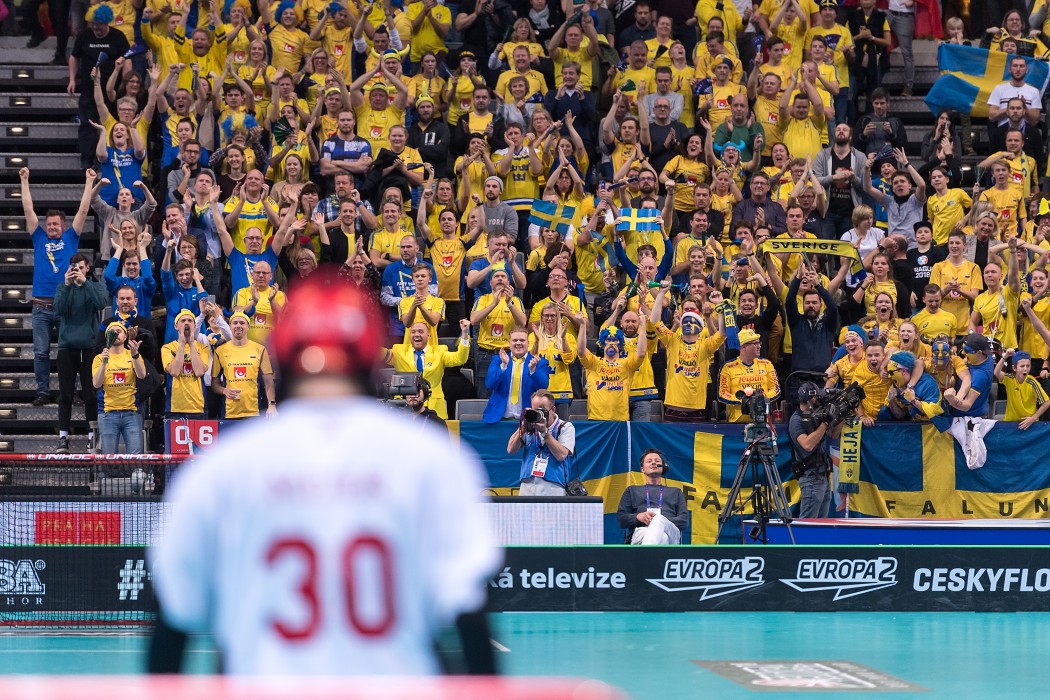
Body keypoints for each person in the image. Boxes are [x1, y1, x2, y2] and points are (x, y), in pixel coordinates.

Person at [149, 271, 500, 675]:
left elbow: (172, 624)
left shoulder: (224, 466)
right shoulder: (428, 459)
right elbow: (471, 623)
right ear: (367, 357)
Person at [21, 167, 94, 407]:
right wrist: (25, 180)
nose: (52, 227)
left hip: (65, 305)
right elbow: (28, 210)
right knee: (41, 353)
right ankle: (42, 392)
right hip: (41, 308)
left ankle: (69, 392)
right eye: (49, 224)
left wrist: (88, 181)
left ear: (63, 226)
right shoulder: (39, 238)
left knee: (68, 352)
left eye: (55, 224)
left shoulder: (70, 239)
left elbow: (83, 210)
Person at [53, 254, 106, 453]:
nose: (78, 271)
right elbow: (58, 309)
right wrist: (67, 285)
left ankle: (91, 438)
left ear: (88, 268)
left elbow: (101, 303)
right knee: (65, 395)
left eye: (81, 267)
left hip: (88, 348)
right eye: (74, 267)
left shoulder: (94, 285)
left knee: (90, 395)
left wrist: (85, 284)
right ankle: (63, 439)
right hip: (67, 349)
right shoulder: (62, 287)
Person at [385, 320, 472, 420]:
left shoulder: (440, 351)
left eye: (421, 332)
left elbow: (460, 359)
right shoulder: (398, 352)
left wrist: (465, 333)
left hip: (435, 408)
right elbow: (380, 354)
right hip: (404, 409)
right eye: (413, 332)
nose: (416, 334)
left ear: (428, 335)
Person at [507, 389, 575, 496]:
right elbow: (510, 449)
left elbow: (561, 455)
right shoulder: (529, 426)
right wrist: (523, 426)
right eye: (535, 410)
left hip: (553, 486)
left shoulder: (565, 427)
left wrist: (545, 433)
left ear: (553, 409)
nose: (538, 414)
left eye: (542, 410)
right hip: (528, 484)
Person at [92, 322, 146, 454]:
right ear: (107, 337)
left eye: (119, 331)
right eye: (112, 331)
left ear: (125, 336)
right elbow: (96, 384)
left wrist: (135, 355)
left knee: (136, 456)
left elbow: (142, 375)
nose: (116, 333)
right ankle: (107, 475)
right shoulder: (99, 358)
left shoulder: (132, 355)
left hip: (131, 412)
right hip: (108, 413)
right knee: (109, 456)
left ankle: (136, 474)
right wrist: (104, 363)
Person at [211, 312, 277, 420]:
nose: (238, 326)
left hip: (254, 412)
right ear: (230, 326)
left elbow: (268, 381)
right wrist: (224, 390)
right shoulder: (220, 351)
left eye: (242, 323)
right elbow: (214, 384)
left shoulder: (260, 349)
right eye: (235, 323)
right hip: (229, 412)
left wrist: (272, 404)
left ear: (248, 326)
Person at [616, 449, 688, 544]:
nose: (654, 463)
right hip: (641, 533)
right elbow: (622, 519)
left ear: (663, 467)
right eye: (649, 461)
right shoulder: (632, 490)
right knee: (663, 537)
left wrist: (659, 521)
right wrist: (638, 517)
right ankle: (651, 556)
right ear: (642, 469)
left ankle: (647, 556)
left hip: (671, 532)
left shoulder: (676, 492)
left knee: (659, 520)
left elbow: (683, 521)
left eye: (657, 461)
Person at [482, 326, 552, 423]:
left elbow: (544, 387)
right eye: (515, 340)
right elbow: (489, 384)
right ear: (509, 343)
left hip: (528, 420)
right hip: (499, 419)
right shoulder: (498, 360)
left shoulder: (540, 362)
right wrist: (503, 366)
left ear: (528, 343)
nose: (518, 343)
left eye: (522, 340)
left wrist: (533, 370)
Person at [788, 382, 836, 518]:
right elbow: (807, 445)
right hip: (811, 477)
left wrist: (840, 416)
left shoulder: (817, 414)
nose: (817, 400)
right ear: (810, 399)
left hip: (823, 475)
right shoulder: (796, 420)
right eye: (815, 397)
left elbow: (834, 434)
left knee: (821, 526)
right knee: (807, 525)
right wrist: (825, 423)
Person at [718, 328, 782, 423]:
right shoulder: (728, 367)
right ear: (743, 347)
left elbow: (776, 390)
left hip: (763, 421)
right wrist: (745, 401)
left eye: (759, 343)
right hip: (736, 423)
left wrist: (761, 399)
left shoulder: (767, 364)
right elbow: (722, 394)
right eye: (755, 343)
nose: (759, 346)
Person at [162, 310, 212, 420]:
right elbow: (174, 371)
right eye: (183, 321)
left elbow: (199, 371)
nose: (186, 323)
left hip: (198, 407)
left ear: (194, 326)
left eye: (190, 321)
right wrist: (181, 345)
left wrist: (192, 344)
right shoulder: (167, 348)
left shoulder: (203, 347)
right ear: (176, 326)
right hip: (175, 408)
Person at [878, 351, 943, 422]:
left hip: (930, 426)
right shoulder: (895, 386)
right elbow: (900, 416)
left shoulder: (928, 383)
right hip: (912, 424)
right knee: (884, 411)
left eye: (891, 372)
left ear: (903, 371)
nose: (889, 376)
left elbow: (935, 413)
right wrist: (891, 400)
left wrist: (913, 401)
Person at [994, 348, 1050, 427]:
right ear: (1014, 368)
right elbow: (996, 373)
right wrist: (1005, 356)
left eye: (1028, 366)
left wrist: (1033, 418)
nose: (1025, 369)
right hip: (1011, 422)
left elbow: (1047, 402)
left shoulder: (1032, 382)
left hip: (1029, 424)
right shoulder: (1009, 379)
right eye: (1022, 366)